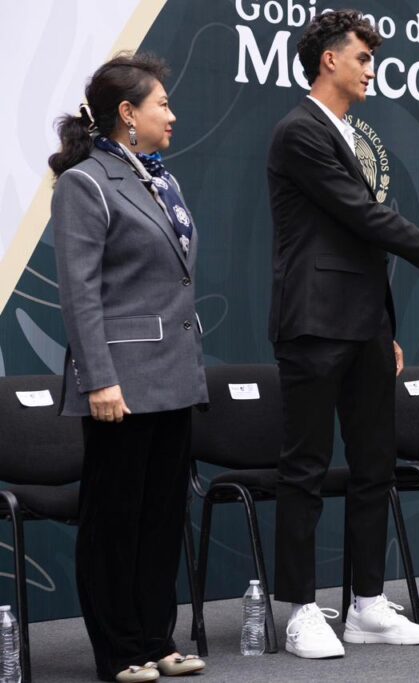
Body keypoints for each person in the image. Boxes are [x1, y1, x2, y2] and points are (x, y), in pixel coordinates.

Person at [266, 9, 419, 659]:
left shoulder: (343, 132)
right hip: (313, 322)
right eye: (363, 58)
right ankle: (301, 610)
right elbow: (362, 216)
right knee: (305, 468)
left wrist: (381, 327)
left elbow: (359, 239)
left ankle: (365, 605)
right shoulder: (299, 131)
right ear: (329, 59)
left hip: (362, 326)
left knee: (374, 467)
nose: (371, 70)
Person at [49, 53, 208, 682]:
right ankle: (119, 649)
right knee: (114, 519)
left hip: (174, 372)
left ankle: (156, 637)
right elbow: (79, 293)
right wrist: (100, 379)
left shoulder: (162, 180)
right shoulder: (85, 183)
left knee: (162, 516)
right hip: (120, 379)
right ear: (127, 113)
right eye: (162, 104)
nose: (172, 114)